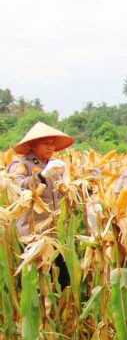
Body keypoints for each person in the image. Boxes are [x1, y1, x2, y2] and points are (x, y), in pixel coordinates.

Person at [8, 122, 74, 288]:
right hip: (32, 236)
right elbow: (19, 186)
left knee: (62, 282)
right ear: (32, 144)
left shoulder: (55, 167)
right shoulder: (21, 166)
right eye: (45, 143)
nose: (50, 147)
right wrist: (42, 176)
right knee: (36, 285)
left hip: (53, 236)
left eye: (52, 143)